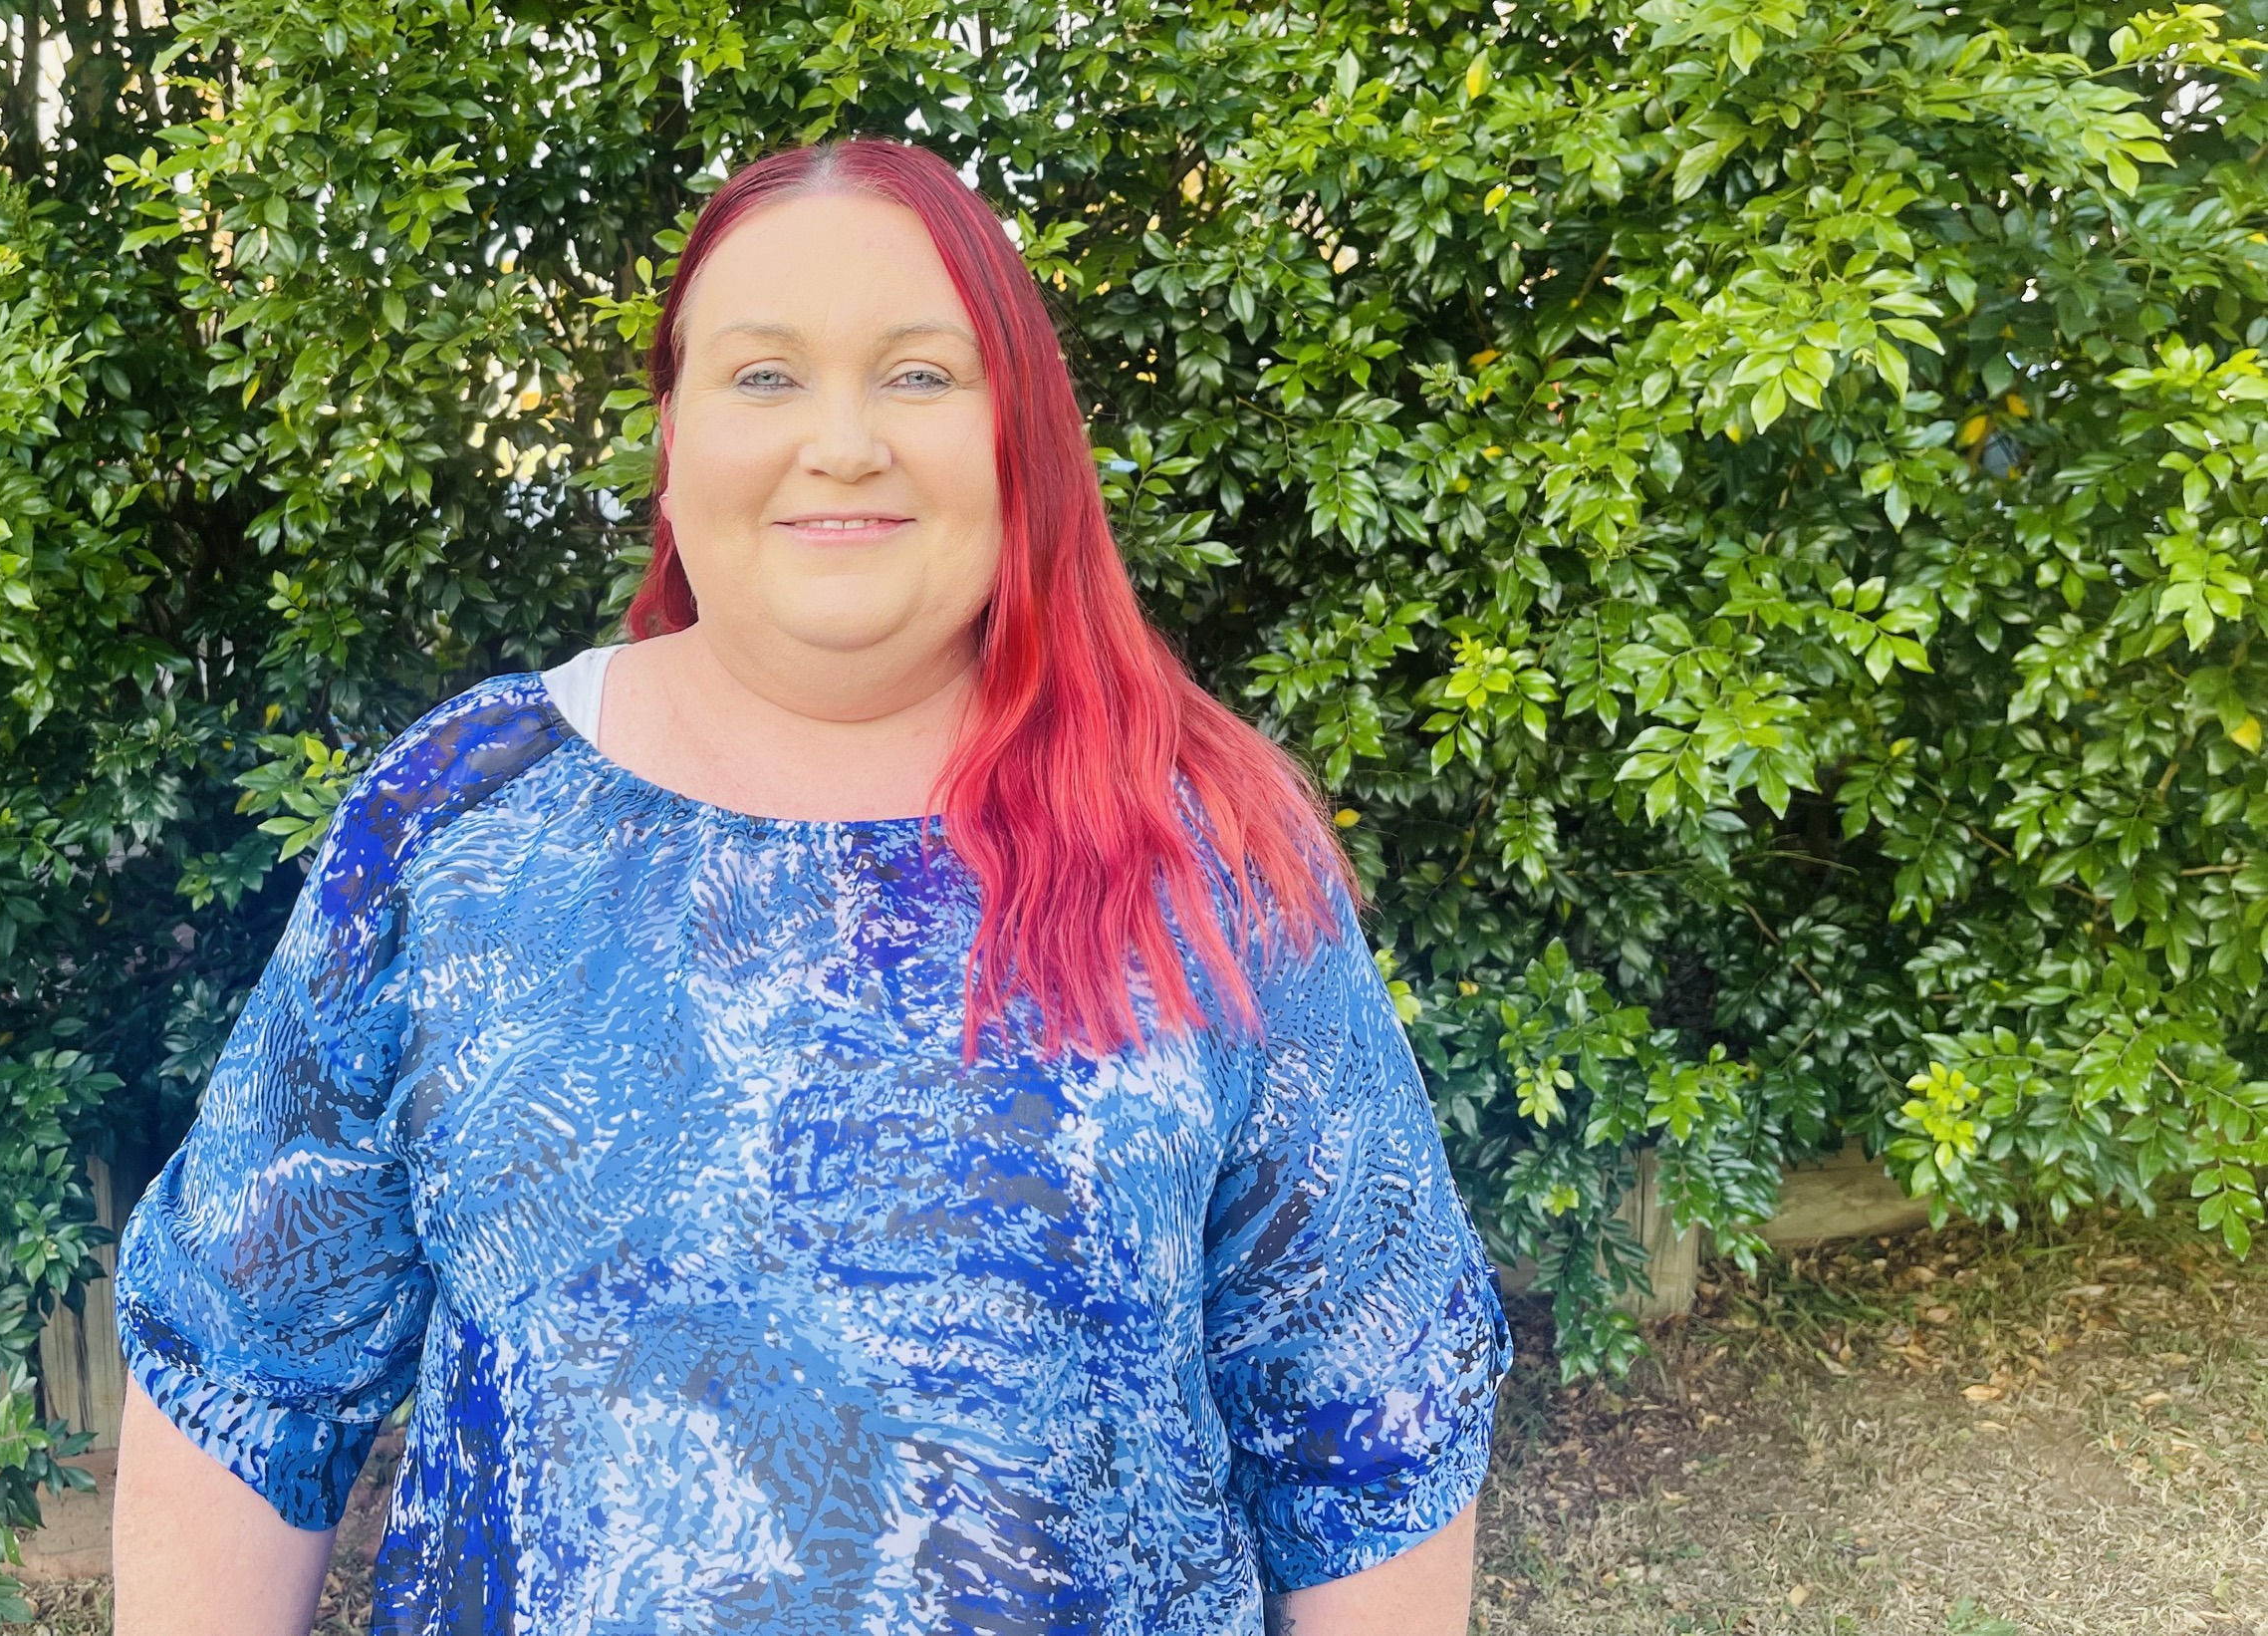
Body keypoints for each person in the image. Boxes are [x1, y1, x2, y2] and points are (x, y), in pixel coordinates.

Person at [110, 138, 1511, 1635]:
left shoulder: (1209, 858)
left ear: (1017, 436)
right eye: (764, 375)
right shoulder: (460, 820)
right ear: (672, 436)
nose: (842, 441)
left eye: (919, 374)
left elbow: (1371, 1428)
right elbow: (241, 1370)